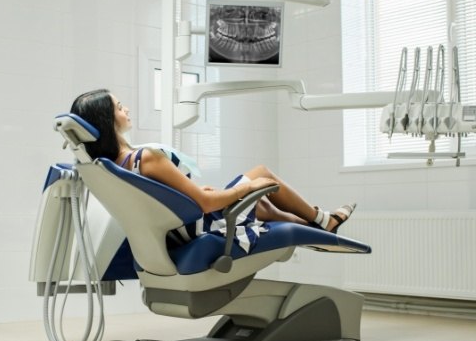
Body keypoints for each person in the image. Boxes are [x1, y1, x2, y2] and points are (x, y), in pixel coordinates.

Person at [70, 89, 356, 253]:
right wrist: (244, 188)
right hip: (201, 225)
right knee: (261, 175)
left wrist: (207, 192)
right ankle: (322, 221)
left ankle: (318, 229)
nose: (127, 109)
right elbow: (205, 204)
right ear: (108, 120)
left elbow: (166, 197)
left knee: (265, 206)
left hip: (178, 229)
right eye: (120, 107)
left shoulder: (117, 165)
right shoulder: (147, 157)